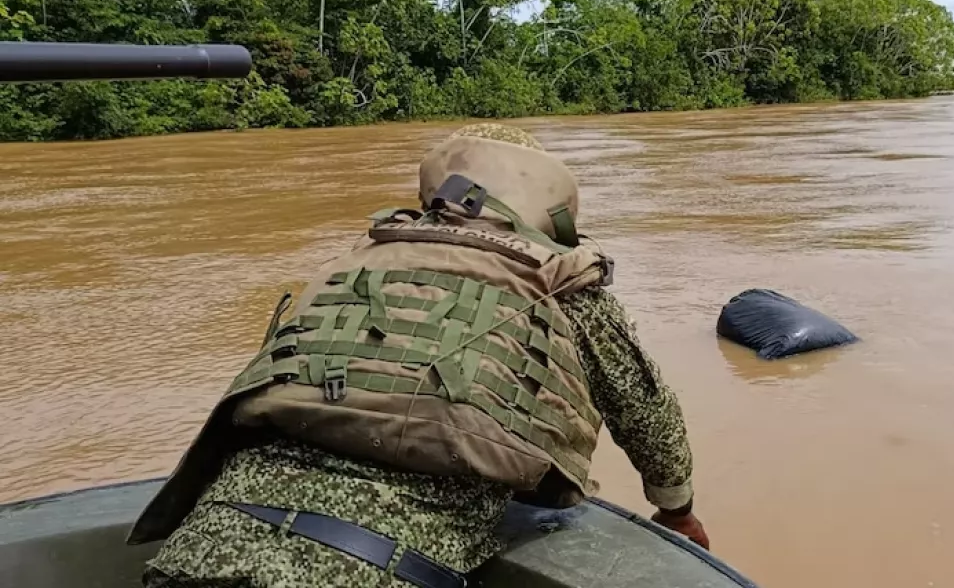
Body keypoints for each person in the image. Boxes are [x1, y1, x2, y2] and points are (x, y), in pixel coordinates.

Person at [128, 122, 709, 588]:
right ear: (548, 206)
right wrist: (676, 510)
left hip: (204, 547)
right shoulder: (559, 284)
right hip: (376, 570)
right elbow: (647, 413)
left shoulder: (355, 266)